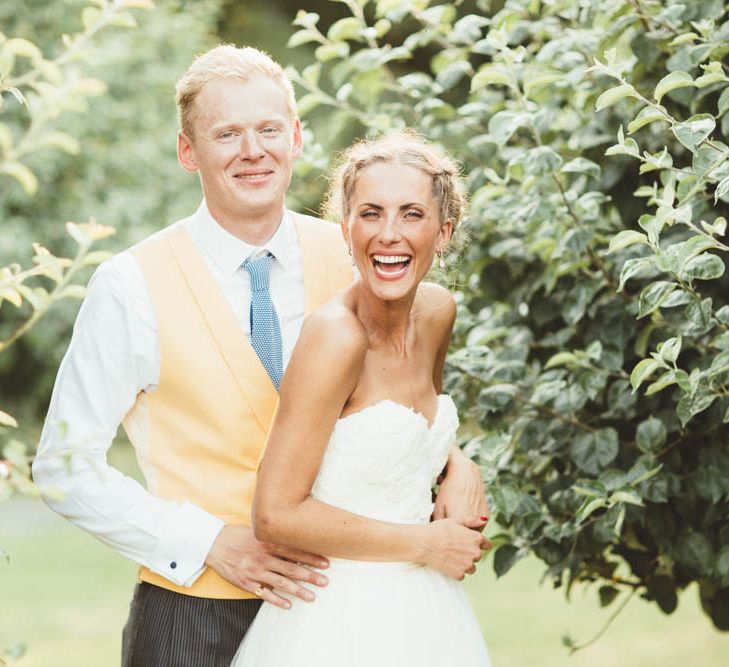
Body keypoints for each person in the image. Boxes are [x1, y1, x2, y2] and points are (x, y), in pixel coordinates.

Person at [31, 45, 488, 667]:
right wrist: (207, 542)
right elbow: (64, 464)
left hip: (338, 613)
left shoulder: (365, 251)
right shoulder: (130, 284)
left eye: (269, 129)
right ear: (188, 151)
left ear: (296, 137)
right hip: (195, 612)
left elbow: (389, 399)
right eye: (227, 134)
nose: (253, 151)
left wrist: (450, 460)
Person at [232, 131, 491, 666]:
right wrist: (426, 544)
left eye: (411, 214)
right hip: (336, 618)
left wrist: (458, 464)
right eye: (370, 214)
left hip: (427, 615)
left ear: (443, 233)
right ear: (345, 228)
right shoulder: (336, 337)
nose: (388, 235)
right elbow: (275, 515)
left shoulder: (438, 312)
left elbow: (412, 424)